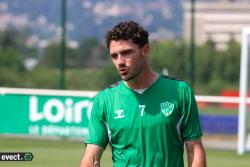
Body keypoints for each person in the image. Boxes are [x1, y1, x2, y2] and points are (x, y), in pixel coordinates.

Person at [80, 20, 206, 167]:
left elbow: (194, 150)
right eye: (114, 56)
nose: (120, 61)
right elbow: (92, 157)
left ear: (145, 51)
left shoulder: (180, 92)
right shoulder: (104, 101)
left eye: (126, 53)